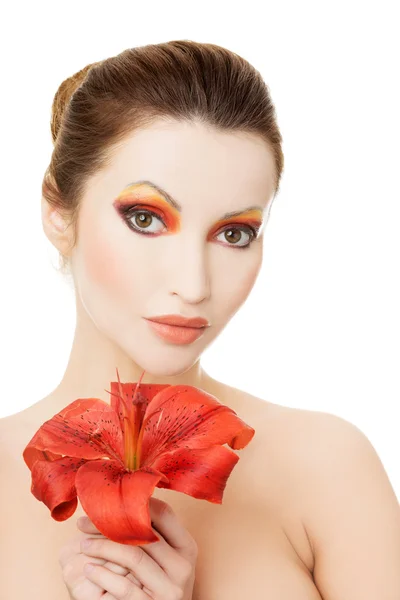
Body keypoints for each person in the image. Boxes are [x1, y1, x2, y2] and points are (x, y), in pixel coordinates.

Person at [1, 39, 399, 600]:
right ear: (58, 213)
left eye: (234, 234)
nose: (194, 285)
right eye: (145, 219)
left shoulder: (327, 467)